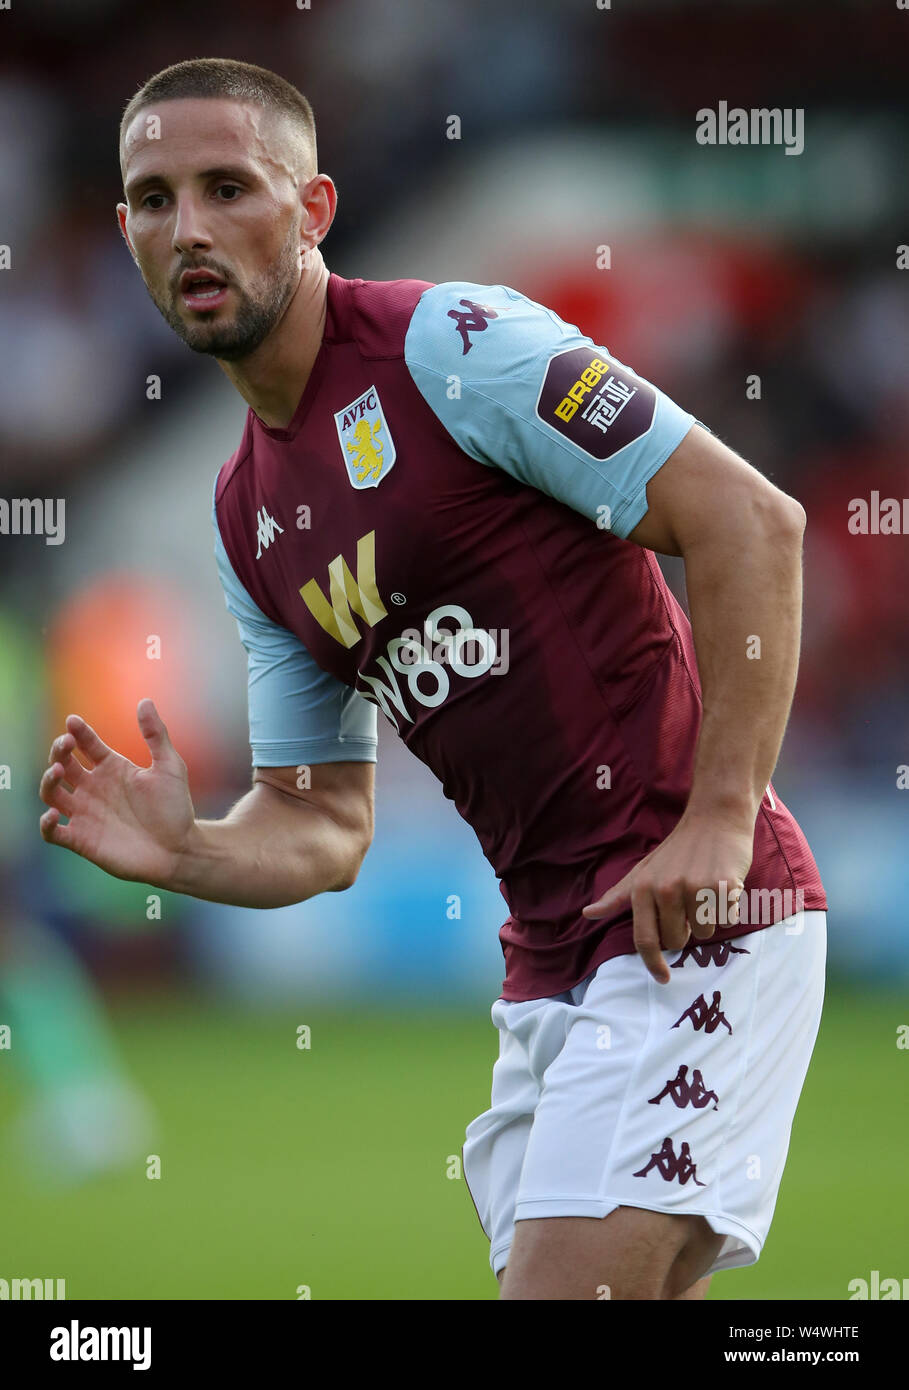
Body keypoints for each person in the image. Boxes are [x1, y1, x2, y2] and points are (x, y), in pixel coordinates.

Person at [39, 58, 826, 1300]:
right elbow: (321, 820)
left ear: (313, 210)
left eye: (227, 186)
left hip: (697, 922)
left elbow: (751, 524)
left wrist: (722, 818)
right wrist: (189, 851)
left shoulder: (456, 344)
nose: (186, 227)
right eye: (151, 198)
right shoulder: (248, 518)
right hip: (551, 964)